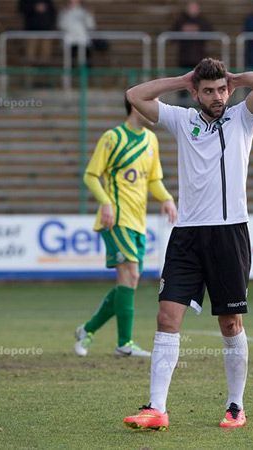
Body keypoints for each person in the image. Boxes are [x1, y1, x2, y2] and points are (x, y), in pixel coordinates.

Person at [123, 58, 253, 430]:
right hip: (188, 234)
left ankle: (235, 406)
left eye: (221, 89)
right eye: (208, 91)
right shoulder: (182, 119)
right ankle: (157, 408)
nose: (217, 96)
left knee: (230, 323)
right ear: (196, 92)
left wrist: (235, 79)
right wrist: (181, 80)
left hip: (229, 233)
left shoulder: (242, 117)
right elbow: (134, 95)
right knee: (166, 316)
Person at [73, 96, 178, 358]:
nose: (154, 111)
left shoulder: (150, 140)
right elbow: (90, 175)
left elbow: (153, 179)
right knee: (129, 276)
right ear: (134, 106)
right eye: (149, 104)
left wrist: (166, 198)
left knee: (128, 283)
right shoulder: (113, 138)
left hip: (137, 223)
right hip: (116, 219)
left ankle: (87, 330)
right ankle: (124, 343)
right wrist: (105, 202)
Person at [172, 1, 213, 70]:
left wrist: (198, 29)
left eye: (194, 8)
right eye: (191, 8)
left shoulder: (203, 21)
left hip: (200, 55)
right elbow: (172, 34)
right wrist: (183, 29)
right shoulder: (180, 20)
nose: (193, 10)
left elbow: (210, 32)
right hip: (184, 56)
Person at [58, 0, 95, 66]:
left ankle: (84, 74)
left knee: (85, 56)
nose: (74, 2)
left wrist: (89, 16)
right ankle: (68, 74)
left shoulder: (85, 12)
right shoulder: (64, 12)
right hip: (69, 39)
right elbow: (61, 25)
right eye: (72, 1)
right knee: (69, 58)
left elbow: (91, 25)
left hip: (82, 38)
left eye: (76, 1)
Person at [18, 0, 56, 65]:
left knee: (45, 56)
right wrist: (34, 7)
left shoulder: (47, 1)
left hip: (46, 30)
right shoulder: (26, 2)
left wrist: (50, 25)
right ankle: (29, 73)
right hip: (31, 30)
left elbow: (53, 11)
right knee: (30, 55)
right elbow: (21, 9)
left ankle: (44, 73)